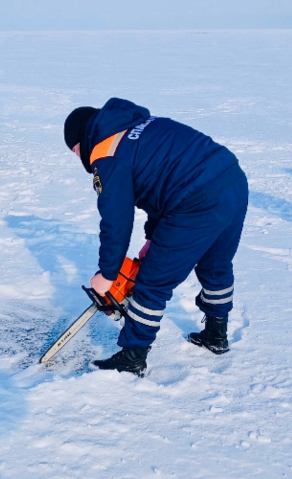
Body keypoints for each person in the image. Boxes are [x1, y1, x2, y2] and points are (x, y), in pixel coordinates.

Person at [64, 98, 249, 376]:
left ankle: (132, 357)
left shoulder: (108, 154)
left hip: (196, 201)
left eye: (75, 150)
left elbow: (116, 221)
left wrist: (108, 274)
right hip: (231, 178)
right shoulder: (139, 125)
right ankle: (216, 334)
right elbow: (162, 184)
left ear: (83, 138)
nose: (78, 157)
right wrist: (153, 238)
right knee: (216, 264)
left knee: (151, 282)